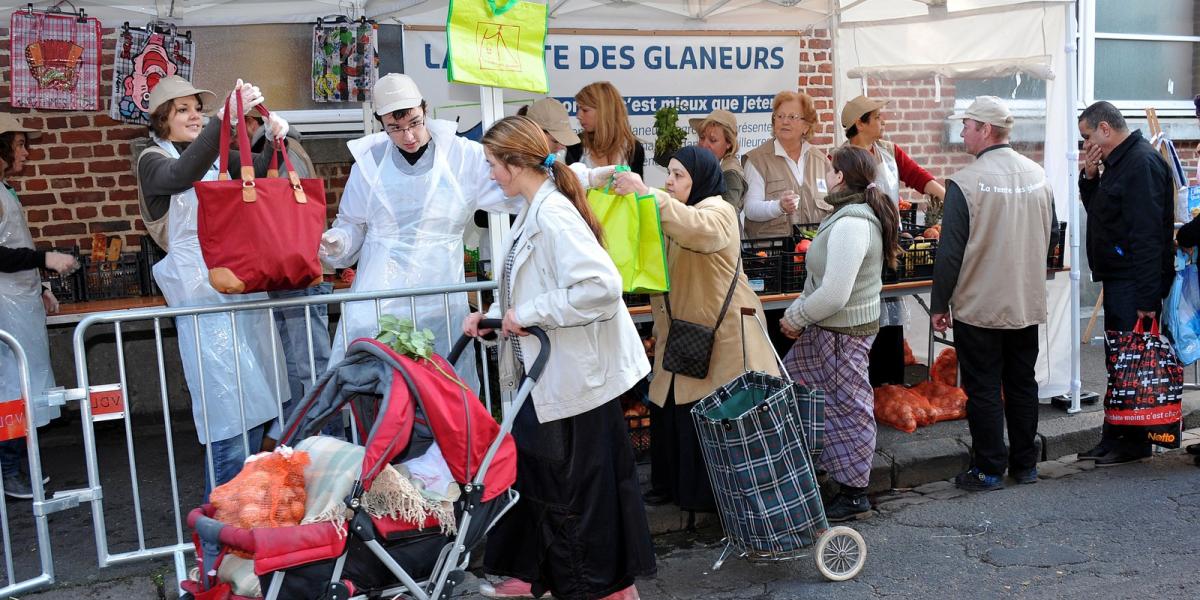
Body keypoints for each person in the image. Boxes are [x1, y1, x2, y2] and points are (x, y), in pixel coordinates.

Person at [463, 115, 654, 600]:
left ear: (512, 163)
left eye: (491, 164)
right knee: (559, 493)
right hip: (551, 379)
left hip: (570, 383)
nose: (489, 175)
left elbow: (601, 286)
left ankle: (603, 590)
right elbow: (531, 284)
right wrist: (494, 318)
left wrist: (524, 314)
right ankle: (564, 582)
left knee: (575, 500)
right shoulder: (537, 207)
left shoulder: (551, 213)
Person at [135, 76, 291, 495]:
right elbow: (180, 174)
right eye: (182, 109)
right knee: (227, 413)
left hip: (238, 287)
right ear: (161, 120)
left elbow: (260, 171)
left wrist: (276, 140)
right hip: (200, 297)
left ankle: (247, 516)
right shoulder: (152, 160)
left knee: (257, 405)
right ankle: (221, 535)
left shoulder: (212, 154)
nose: (193, 115)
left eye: (197, 108)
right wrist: (221, 123)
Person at [320, 74, 519, 388]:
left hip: (439, 292)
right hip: (379, 295)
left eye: (414, 122)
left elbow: (515, 187)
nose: (408, 136)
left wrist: (574, 182)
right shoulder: (369, 163)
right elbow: (352, 224)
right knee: (379, 389)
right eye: (395, 128)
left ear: (425, 110)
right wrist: (338, 242)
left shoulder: (461, 156)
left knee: (443, 385)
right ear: (381, 124)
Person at [611, 147, 780, 512]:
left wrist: (647, 194)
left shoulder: (717, 211)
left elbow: (699, 231)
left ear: (700, 179)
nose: (669, 182)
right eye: (668, 174)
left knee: (702, 414)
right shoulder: (675, 210)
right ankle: (669, 486)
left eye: (678, 175)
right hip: (683, 335)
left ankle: (705, 498)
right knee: (669, 407)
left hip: (723, 339)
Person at [930, 96, 1056, 491]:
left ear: (986, 129)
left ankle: (987, 469)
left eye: (967, 124)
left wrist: (939, 304)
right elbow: (1051, 236)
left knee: (983, 386)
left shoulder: (965, 183)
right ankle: (1025, 465)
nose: (962, 131)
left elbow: (949, 252)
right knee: (1022, 383)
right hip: (1024, 301)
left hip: (980, 305)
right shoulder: (1038, 175)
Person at [779, 145, 898, 520]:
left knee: (850, 409)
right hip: (828, 330)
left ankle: (854, 493)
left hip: (842, 334)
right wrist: (801, 311)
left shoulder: (852, 223)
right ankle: (825, 474)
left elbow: (834, 293)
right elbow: (820, 280)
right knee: (800, 394)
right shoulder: (845, 215)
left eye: (829, 169)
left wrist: (796, 316)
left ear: (840, 176)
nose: (825, 175)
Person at [1076, 101, 1174, 466]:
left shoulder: (1141, 163)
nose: (1085, 144)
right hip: (1120, 277)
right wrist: (1090, 177)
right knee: (1120, 362)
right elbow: (1103, 213)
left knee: (1133, 363)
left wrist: (1148, 298)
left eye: (1087, 136)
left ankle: (1134, 440)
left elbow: (1148, 235)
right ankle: (1114, 434)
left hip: (1134, 281)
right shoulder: (1118, 163)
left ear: (1105, 129)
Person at [242, 113, 338, 440]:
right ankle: (307, 447)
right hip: (298, 269)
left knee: (310, 367)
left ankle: (328, 447)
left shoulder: (283, 149)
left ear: (252, 123)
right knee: (302, 368)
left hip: (297, 271)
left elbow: (277, 216)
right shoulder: (287, 147)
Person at [842, 94, 947, 389]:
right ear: (860, 124)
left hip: (893, 243)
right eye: (876, 117)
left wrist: (948, 197)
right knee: (865, 311)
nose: (882, 121)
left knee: (890, 311)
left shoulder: (888, 150)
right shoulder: (842, 159)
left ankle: (891, 384)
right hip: (862, 243)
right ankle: (868, 386)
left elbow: (918, 176)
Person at [0, 114, 77, 500]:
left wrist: (41, 283)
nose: (25, 152)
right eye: (18, 145)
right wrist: (44, 260)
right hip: (5, 304)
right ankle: (9, 471)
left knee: (21, 386)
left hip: (19, 299)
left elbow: (16, 245)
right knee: (12, 388)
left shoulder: (4, 190)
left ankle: (17, 466)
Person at [742, 91, 832, 238]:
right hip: (772, 255)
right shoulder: (757, 160)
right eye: (780, 116)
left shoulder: (821, 161)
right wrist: (779, 206)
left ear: (806, 126)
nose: (785, 121)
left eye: (792, 117)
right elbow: (750, 209)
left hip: (814, 254)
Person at [565, 81, 645, 177]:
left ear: (604, 112)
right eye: (578, 109)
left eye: (585, 110)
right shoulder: (575, 146)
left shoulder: (633, 148)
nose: (578, 116)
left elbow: (638, 190)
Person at [690, 109, 746, 210]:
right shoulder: (704, 164)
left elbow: (725, 216)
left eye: (713, 140)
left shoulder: (731, 174)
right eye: (702, 138)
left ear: (729, 143)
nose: (704, 145)